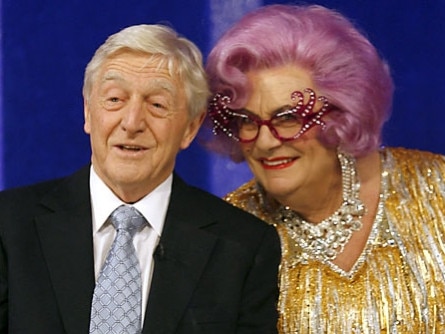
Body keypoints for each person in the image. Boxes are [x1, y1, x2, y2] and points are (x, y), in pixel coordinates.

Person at [0, 24, 281, 333]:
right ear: (88, 112)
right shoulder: (9, 225)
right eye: (115, 99)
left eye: (157, 105)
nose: (132, 122)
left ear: (190, 126)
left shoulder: (243, 247)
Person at [205, 4, 445, 333]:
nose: (264, 143)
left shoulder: (437, 191)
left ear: (341, 114)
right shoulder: (223, 238)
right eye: (246, 121)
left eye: (288, 118)